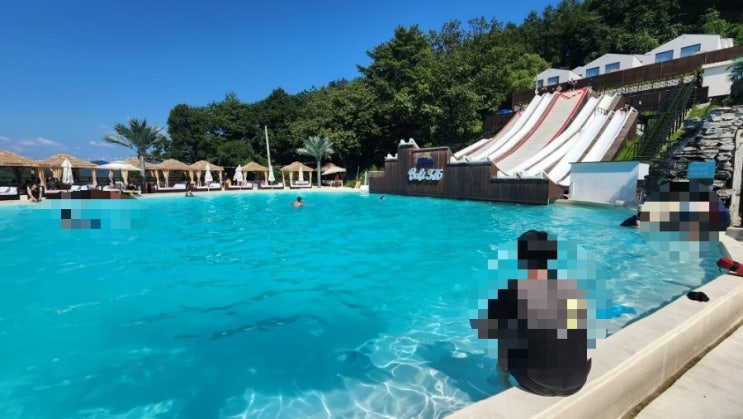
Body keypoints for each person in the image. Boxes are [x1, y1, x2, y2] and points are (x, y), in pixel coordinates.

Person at [473, 230, 592, 396]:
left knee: (505, 328)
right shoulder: (573, 288)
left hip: (536, 383)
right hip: (578, 381)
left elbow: (492, 330)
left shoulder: (512, 291)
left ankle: (503, 379)